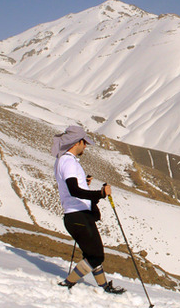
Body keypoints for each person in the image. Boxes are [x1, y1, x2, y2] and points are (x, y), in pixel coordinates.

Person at [51, 125, 125, 294]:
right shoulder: (68, 161)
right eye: (84, 143)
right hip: (78, 216)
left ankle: (104, 287)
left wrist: (84, 182)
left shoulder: (62, 160)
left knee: (91, 254)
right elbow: (74, 190)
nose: (85, 147)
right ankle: (68, 283)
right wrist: (100, 194)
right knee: (96, 256)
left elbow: (71, 187)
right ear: (77, 142)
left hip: (75, 215)